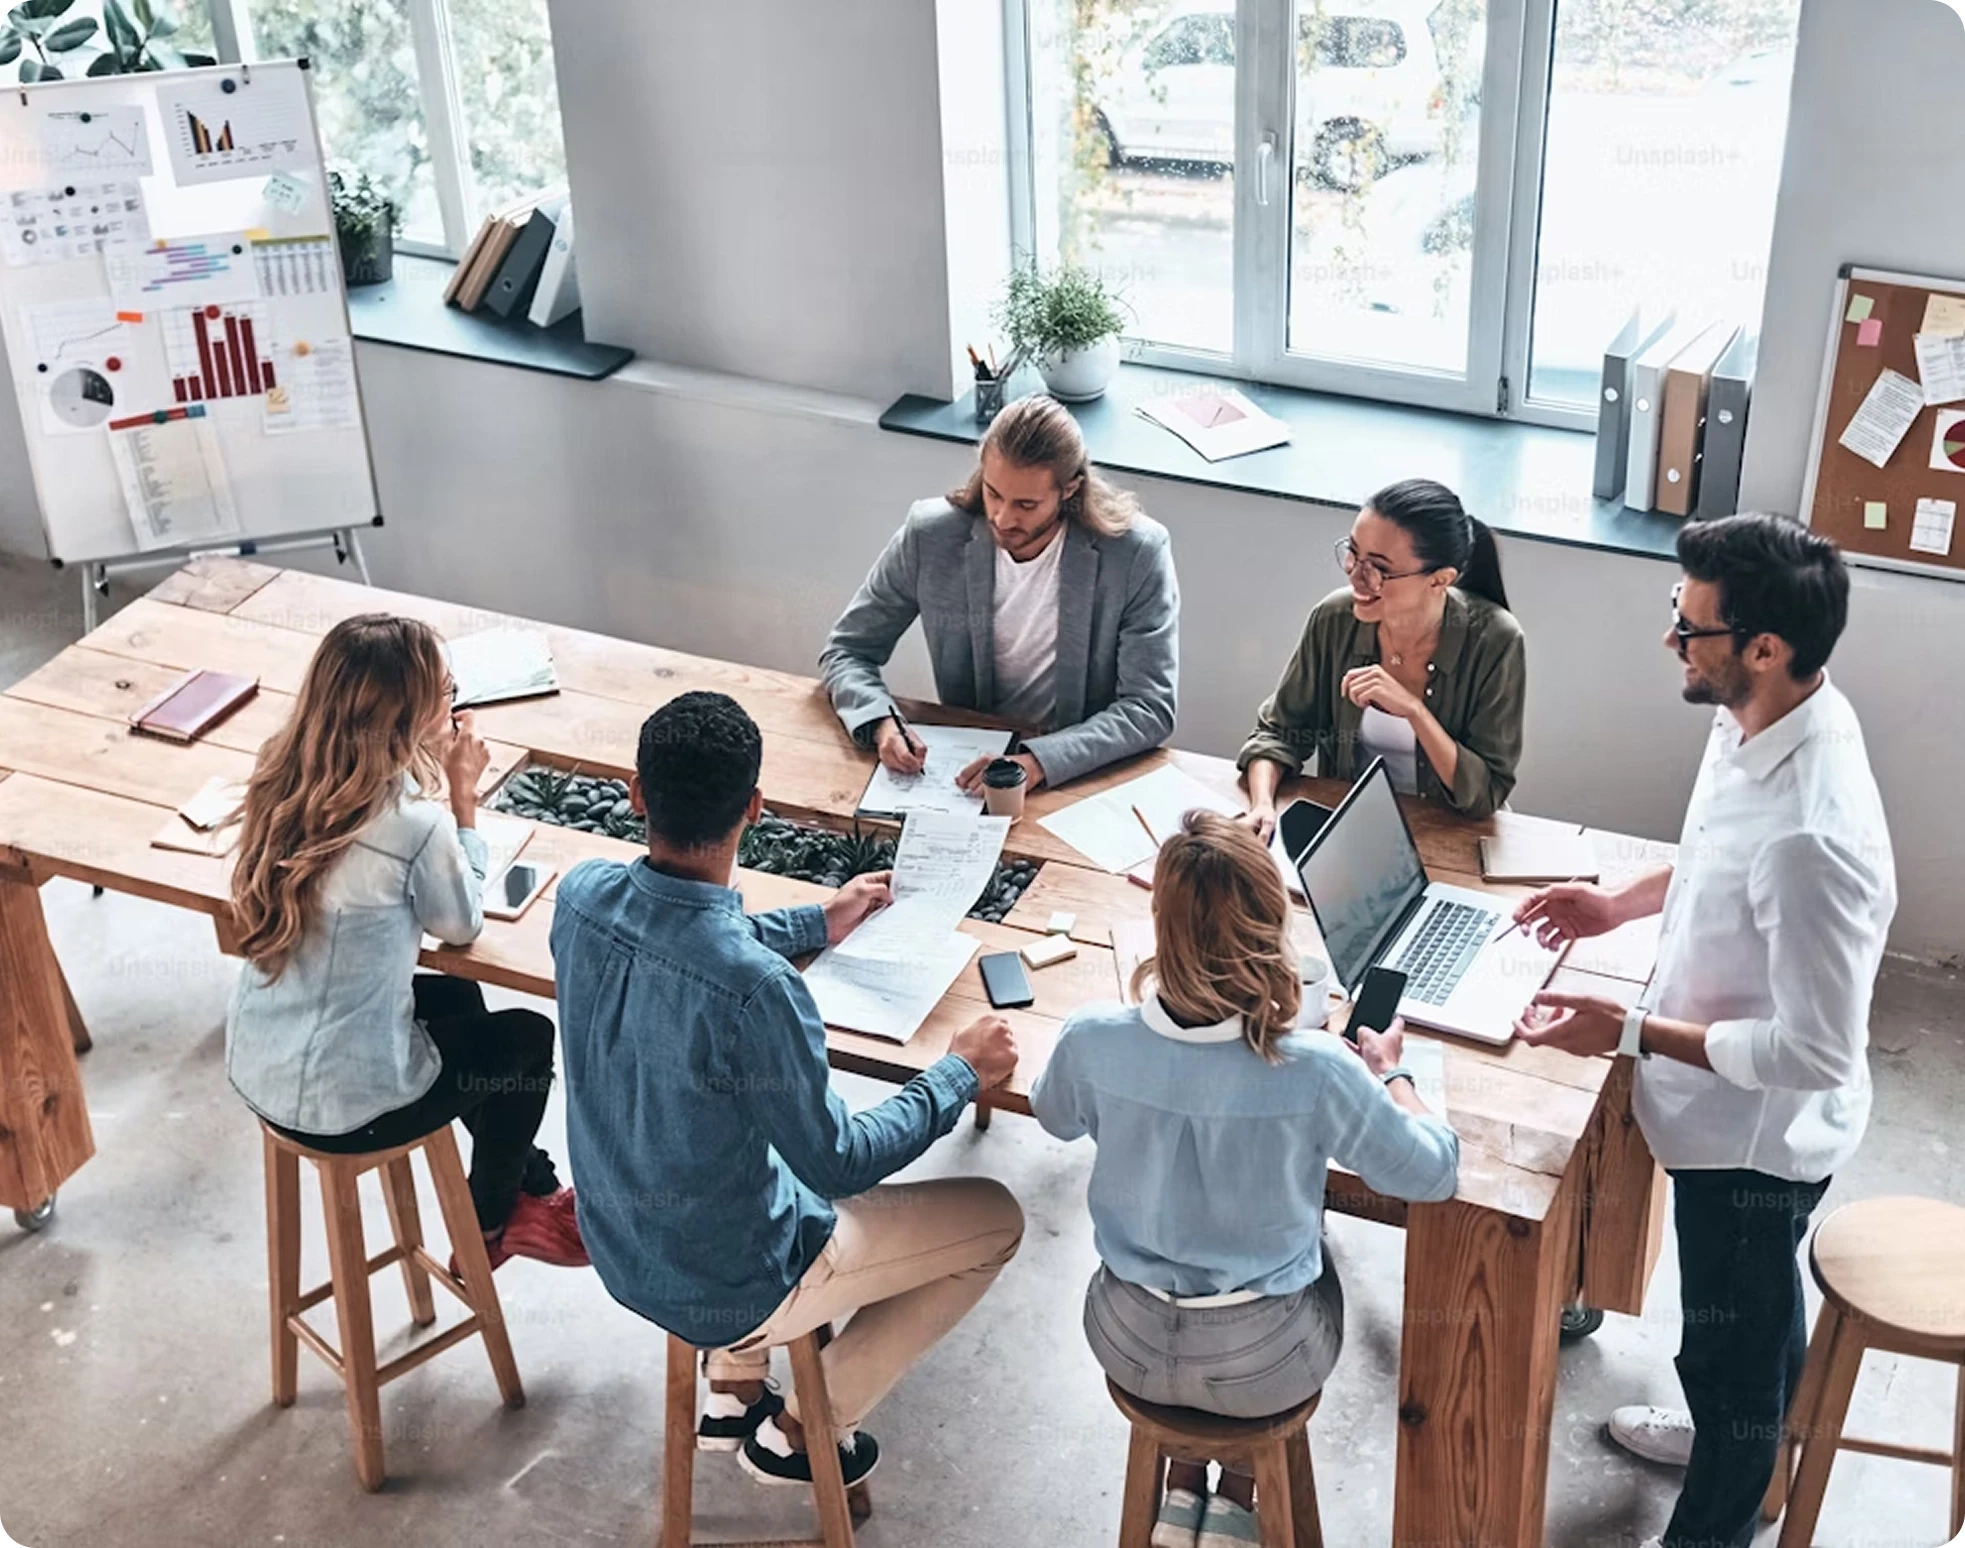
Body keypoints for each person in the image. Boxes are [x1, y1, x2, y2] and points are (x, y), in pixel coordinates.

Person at [1509, 514, 1895, 1548]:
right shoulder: (1765, 716)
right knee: (1751, 1325)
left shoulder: (1813, 837)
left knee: (1729, 1360)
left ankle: (1721, 1505)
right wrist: (1613, 905)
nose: (1670, 642)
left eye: (1689, 628)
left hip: (1752, 1147)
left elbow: (1816, 1052)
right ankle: (1748, 1441)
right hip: (1715, 1113)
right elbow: (1713, 858)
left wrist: (1627, 1030)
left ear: (1762, 646)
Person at [550, 690, 1025, 1489]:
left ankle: (734, 1383)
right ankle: (806, 1426)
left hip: (619, 1244)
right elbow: (840, 1161)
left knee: (728, 1142)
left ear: (635, 793)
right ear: (756, 809)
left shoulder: (580, 897)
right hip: (733, 1279)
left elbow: (680, 930)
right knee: (998, 1219)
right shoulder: (756, 991)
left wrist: (816, 923)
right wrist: (957, 1072)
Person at [1031, 812, 1458, 1548]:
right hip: (1262, 1363)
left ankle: (1185, 1484)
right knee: (1313, 1251)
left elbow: (1053, 1118)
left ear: (1160, 921)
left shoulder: (1093, 1036)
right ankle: (1233, 1493)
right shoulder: (1317, 1067)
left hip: (1122, 1336)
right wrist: (1394, 1075)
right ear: (1272, 928)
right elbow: (1433, 1174)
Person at [227, 614, 586, 1271]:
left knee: (455, 995)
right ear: (407, 712)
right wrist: (464, 798)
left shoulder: (282, 772)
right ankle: (490, 1223)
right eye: (448, 692)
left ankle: (531, 1186)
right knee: (530, 1039)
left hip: (262, 1065)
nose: (458, 705)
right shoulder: (415, 825)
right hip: (347, 1107)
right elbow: (461, 925)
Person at [819, 393, 1179, 793]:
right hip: (962, 770)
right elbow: (847, 651)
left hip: (1076, 775)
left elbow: (1149, 708)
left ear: (1071, 489)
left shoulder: (1135, 555)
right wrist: (881, 722)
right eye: (993, 493)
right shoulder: (931, 536)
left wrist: (1037, 762)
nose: (1004, 518)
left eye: (1027, 504)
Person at [1239, 478, 1524, 833]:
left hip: (1453, 835)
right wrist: (1263, 804)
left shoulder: (1495, 640)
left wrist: (1415, 712)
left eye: (1379, 568)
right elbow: (1278, 732)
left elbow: (1485, 794)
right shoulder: (1334, 618)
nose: (1356, 576)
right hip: (1351, 831)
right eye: (1353, 553)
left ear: (1440, 579)